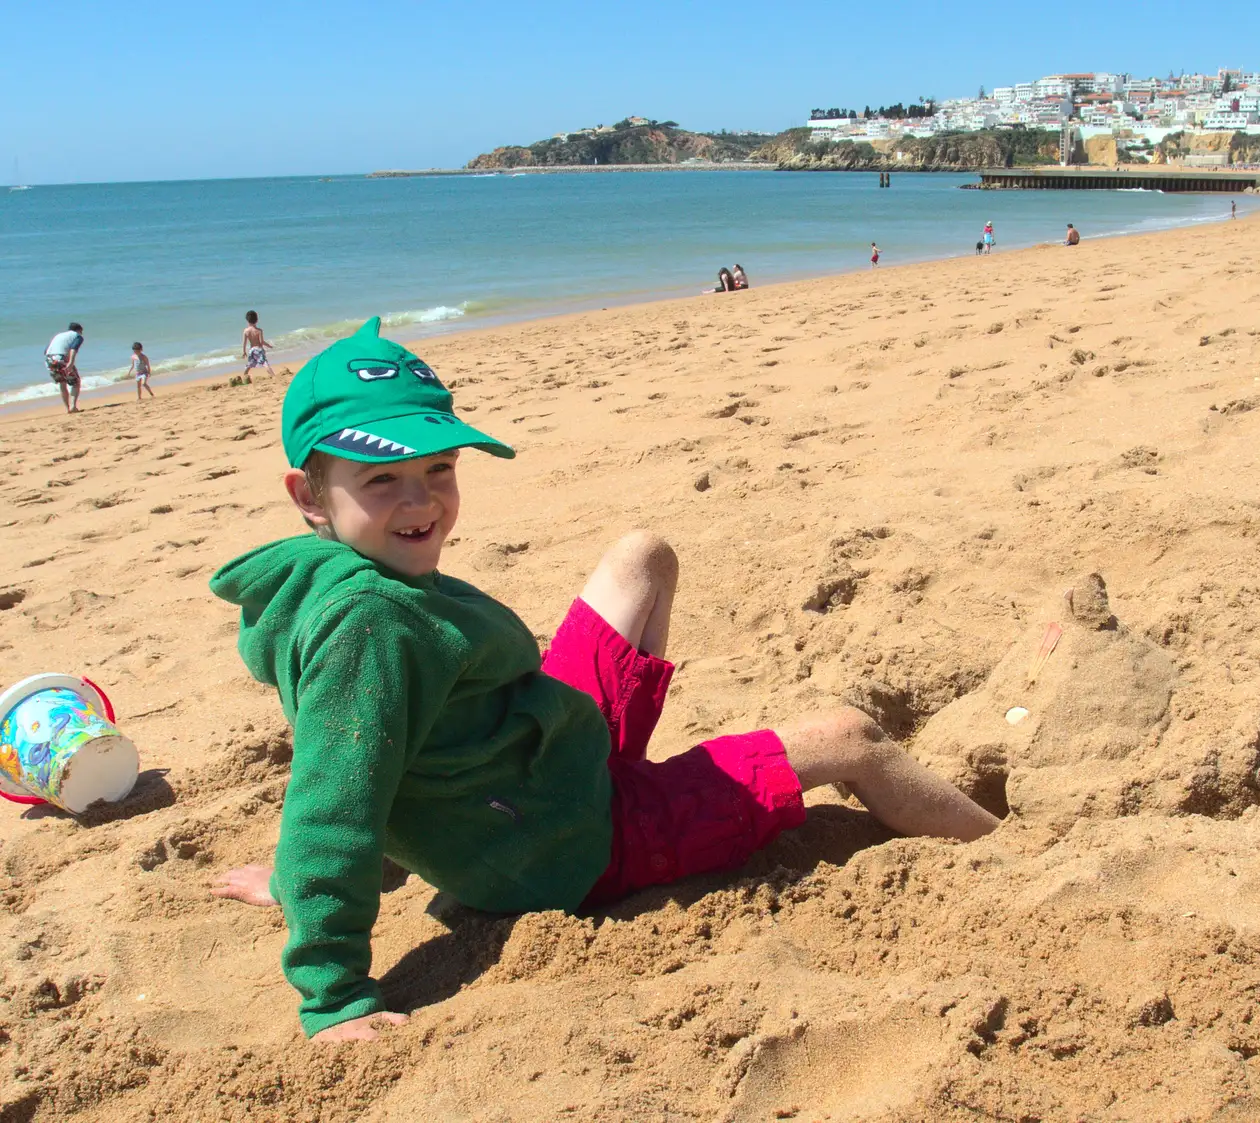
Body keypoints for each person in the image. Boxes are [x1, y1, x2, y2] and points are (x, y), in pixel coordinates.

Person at [207, 318, 999, 1043]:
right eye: (382, 479)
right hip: (572, 840)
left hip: (544, 747)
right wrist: (333, 993)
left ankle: (629, 765)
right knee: (850, 737)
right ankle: (1006, 853)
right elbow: (334, 800)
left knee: (641, 557)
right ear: (308, 496)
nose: (422, 502)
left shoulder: (336, 576)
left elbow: (373, 754)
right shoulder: (368, 627)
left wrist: (291, 875)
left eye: (439, 467)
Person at [44, 322, 84, 414]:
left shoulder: (58, 336)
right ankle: (73, 406)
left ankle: (67, 408)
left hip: (49, 359)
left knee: (62, 383)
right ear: (79, 330)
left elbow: (46, 350)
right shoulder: (77, 336)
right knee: (76, 382)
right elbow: (73, 349)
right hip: (61, 358)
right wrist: (71, 362)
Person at [243, 310, 276, 378]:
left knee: (249, 364)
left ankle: (244, 376)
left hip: (252, 350)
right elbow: (262, 342)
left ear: (247, 320)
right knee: (265, 363)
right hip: (258, 349)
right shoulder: (259, 331)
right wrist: (269, 346)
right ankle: (273, 375)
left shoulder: (246, 331)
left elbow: (244, 343)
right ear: (257, 320)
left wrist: (244, 352)